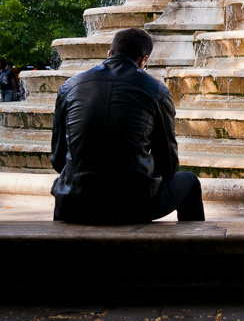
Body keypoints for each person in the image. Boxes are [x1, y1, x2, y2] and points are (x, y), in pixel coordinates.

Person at [51, 27, 205, 224]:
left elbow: (57, 161)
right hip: (135, 204)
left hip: (74, 203)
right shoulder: (157, 91)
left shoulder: (69, 87)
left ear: (109, 54)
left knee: (65, 187)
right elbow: (168, 168)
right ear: (143, 60)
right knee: (190, 182)